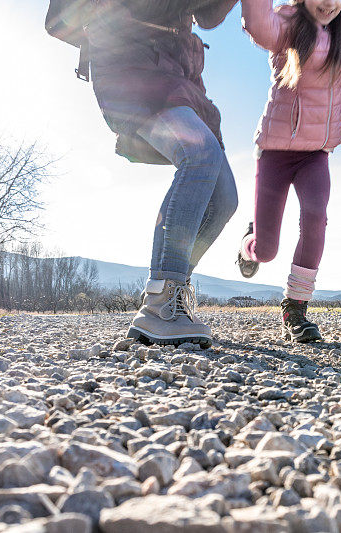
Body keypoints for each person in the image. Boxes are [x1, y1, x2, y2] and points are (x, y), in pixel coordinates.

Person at [237, 0, 341, 342]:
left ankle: (295, 310)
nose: (328, 3)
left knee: (315, 218)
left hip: (315, 155)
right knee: (267, 250)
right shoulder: (286, 25)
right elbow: (256, 23)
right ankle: (249, 242)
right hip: (275, 153)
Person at [85, 0, 240, 348]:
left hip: (177, 71)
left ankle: (174, 296)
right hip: (132, 64)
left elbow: (208, 15)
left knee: (224, 198)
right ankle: (160, 300)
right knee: (198, 152)